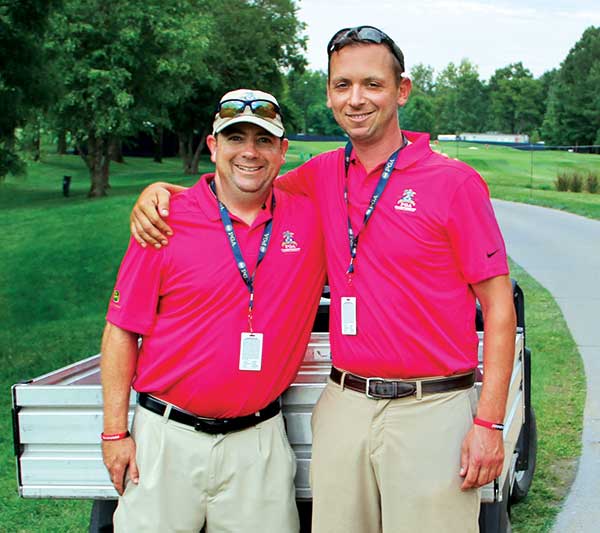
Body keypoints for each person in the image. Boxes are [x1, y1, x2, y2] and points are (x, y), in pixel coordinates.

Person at [129, 27, 516, 533]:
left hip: (432, 407)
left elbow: (500, 307)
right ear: (330, 94)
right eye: (342, 85)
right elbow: (239, 186)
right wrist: (162, 195)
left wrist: (488, 424)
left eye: (372, 85)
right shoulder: (320, 176)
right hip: (345, 406)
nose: (356, 99)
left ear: (401, 91)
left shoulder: (454, 184)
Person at [100, 88, 326, 533]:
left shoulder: (310, 220)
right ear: (213, 146)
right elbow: (121, 330)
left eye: (263, 140)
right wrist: (114, 433)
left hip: (257, 442)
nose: (249, 152)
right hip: (166, 439)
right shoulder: (165, 220)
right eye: (235, 138)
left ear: (282, 151)